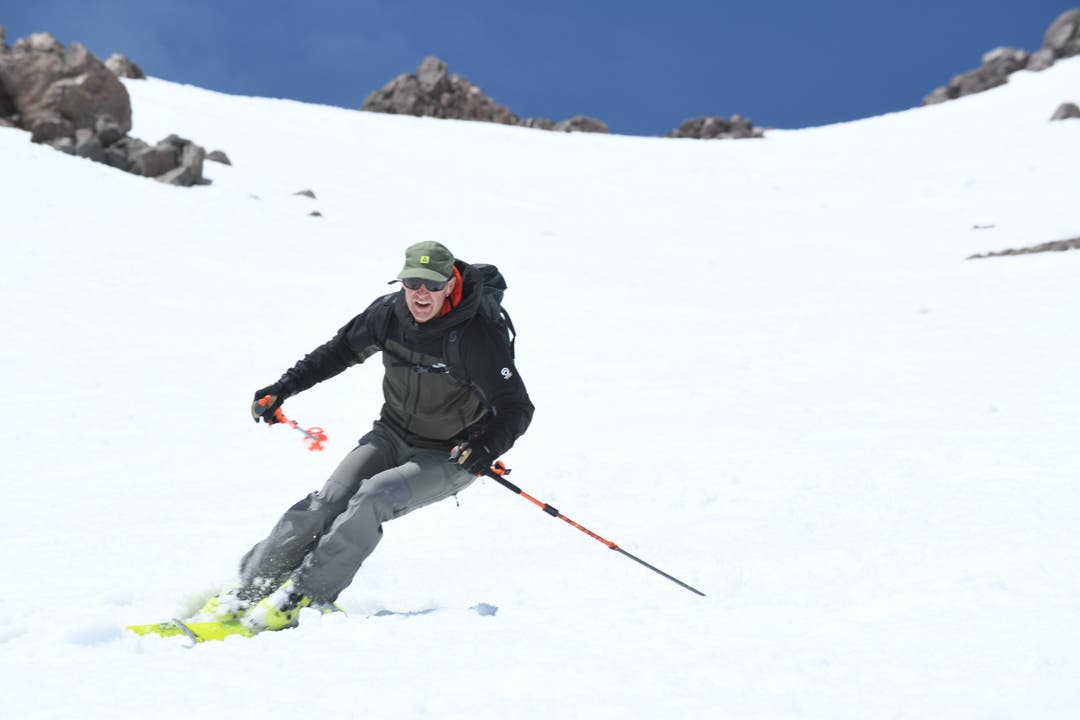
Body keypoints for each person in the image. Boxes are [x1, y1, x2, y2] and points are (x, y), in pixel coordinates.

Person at [198, 241, 534, 632]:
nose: (420, 294)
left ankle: (306, 598)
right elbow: (338, 351)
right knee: (326, 503)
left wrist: (484, 446)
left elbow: (516, 407)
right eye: (412, 283)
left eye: (431, 284)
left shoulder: (475, 336)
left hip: (450, 455)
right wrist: (283, 388)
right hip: (391, 435)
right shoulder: (388, 314)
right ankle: (250, 589)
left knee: (373, 498)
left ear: (448, 285)